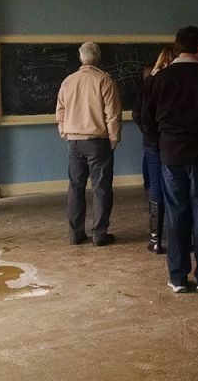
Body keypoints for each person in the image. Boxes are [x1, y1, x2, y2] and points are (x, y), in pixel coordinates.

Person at [142, 26, 198, 293]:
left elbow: (146, 121)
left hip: (171, 155)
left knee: (175, 214)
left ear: (177, 46)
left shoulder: (159, 79)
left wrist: (161, 146)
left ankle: (178, 277)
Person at [56, 42, 122, 246]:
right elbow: (113, 115)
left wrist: (65, 132)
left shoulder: (68, 81)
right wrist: (113, 139)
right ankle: (99, 234)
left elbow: (60, 111)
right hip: (97, 141)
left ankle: (75, 234)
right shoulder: (104, 80)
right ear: (98, 57)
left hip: (74, 141)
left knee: (75, 188)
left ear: (80, 57)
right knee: (101, 187)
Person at [132, 45, 175, 253]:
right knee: (178, 189)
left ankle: (156, 240)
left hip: (154, 145)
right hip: (175, 144)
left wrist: (150, 134)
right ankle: (180, 237)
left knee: (156, 188)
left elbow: (138, 115)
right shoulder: (177, 82)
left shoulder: (150, 82)